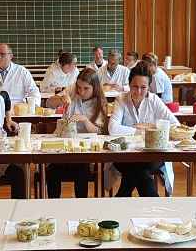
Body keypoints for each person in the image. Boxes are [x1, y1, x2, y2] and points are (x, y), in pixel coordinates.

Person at [108, 61, 179, 197]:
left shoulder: (154, 101)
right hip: (124, 155)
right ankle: (153, 208)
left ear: (149, 87)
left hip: (151, 154)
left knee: (137, 170)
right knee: (140, 171)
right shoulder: (121, 99)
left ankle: (121, 198)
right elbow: (113, 128)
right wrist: (140, 130)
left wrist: (150, 127)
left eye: (143, 87)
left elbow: (174, 124)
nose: (139, 92)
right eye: (135, 87)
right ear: (129, 85)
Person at [45, 68, 107, 198]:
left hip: (84, 151)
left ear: (94, 88)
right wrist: (61, 99)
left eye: (86, 88)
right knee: (52, 172)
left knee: (81, 171)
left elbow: (100, 131)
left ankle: (80, 208)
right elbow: (49, 103)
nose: (81, 91)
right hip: (64, 146)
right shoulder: (72, 91)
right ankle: (52, 206)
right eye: (79, 87)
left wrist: (85, 120)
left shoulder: (100, 101)